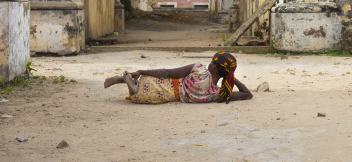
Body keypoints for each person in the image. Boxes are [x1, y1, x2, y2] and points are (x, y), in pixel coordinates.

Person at [104, 51, 253, 104]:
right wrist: (230, 76)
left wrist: (142, 71)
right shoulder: (217, 94)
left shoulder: (199, 69)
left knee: (158, 77)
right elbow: (247, 94)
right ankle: (133, 89)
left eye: (212, 61)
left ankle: (129, 81)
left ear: (214, 66)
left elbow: (167, 73)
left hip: (160, 84)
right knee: (142, 94)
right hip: (159, 97)